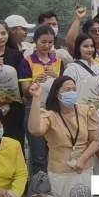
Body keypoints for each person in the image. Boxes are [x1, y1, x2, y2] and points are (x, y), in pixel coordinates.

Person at [24, 76, 99, 197]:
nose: (71, 92)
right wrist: (36, 98)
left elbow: (96, 141)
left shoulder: (87, 110)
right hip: (60, 170)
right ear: (57, 93)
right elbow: (35, 130)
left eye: (74, 89)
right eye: (67, 90)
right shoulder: (50, 115)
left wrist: (82, 159)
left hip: (84, 168)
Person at [23, 24, 64, 175]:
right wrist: (35, 83)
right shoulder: (27, 61)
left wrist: (56, 77)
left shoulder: (58, 61)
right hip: (35, 109)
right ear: (35, 41)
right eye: (43, 42)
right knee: (38, 155)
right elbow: (25, 91)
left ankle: (56, 184)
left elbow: (65, 87)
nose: (47, 45)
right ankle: (39, 186)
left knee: (56, 151)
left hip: (55, 109)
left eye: (50, 42)